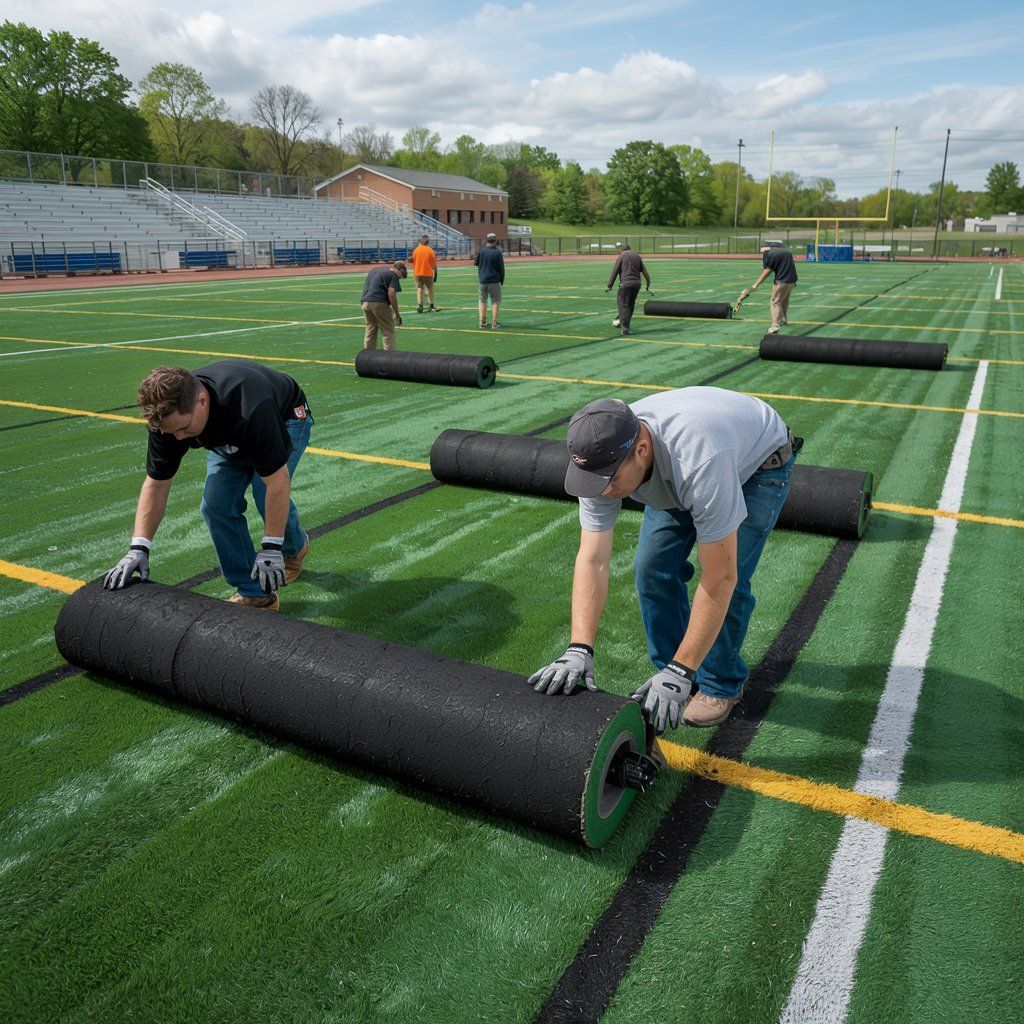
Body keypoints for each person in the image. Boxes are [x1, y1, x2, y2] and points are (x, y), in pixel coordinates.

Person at [528, 389, 799, 731]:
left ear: (641, 450)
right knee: (652, 570)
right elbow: (593, 558)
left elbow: (720, 578)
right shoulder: (602, 461)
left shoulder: (698, 460)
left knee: (731, 579)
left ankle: (719, 684)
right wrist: (579, 647)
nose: (603, 492)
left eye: (609, 482)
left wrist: (683, 669)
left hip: (758, 466)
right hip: (679, 469)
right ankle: (672, 670)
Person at [102, 360, 313, 612]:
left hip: (285, 416)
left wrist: (271, 548)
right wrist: (138, 547)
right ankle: (255, 594)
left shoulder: (251, 407)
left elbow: (277, 482)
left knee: (263, 489)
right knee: (215, 504)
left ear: (202, 401)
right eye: (172, 433)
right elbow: (157, 484)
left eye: (183, 428)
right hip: (228, 434)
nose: (179, 439)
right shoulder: (167, 424)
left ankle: (293, 548)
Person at [749, 244, 798, 334]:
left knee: (775, 301)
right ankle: (784, 319)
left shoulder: (768, 254)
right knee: (784, 299)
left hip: (782, 281)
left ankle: (775, 325)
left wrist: (756, 284)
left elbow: (767, 270)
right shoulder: (786, 252)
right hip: (792, 280)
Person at [606, 242, 651, 336]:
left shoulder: (622, 256)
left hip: (625, 284)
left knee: (622, 304)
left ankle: (624, 327)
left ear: (623, 250)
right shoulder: (637, 256)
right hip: (637, 284)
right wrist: (648, 285)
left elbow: (615, 270)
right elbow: (645, 272)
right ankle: (625, 323)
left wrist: (609, 285)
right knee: (630, 304)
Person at [360, 260, 407, 350]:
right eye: (400, 276)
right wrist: (397, 314)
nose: (399, 279)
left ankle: (367, 355)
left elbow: (366, 286)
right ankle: (390, 357)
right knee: (388, 331)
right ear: (399, 270)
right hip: (379, 303)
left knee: (371, 329)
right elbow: (391, 293)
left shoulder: (375, 270)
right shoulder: (393, 274)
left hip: (365, 302)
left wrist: (362, 301)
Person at [474, 233, 505, 329]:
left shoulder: (482, 251)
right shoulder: (498, 253)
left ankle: (482, 322)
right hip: (494, 280)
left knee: (482, 300)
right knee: (495, 301)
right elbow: (501, 269)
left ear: (486, 240)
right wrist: (501, 281)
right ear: (495, 241)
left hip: (483, 280)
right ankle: (494, 323)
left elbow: (476, 263)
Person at [411, 235, 439, 313]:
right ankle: (432, 306)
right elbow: (433, 263)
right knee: (430, 289)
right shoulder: (430, 250)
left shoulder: (415, 250)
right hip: (427, 272)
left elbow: (413, 261)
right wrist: (435, 272)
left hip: (417, 273)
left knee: (419, 289)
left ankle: (420, 305)